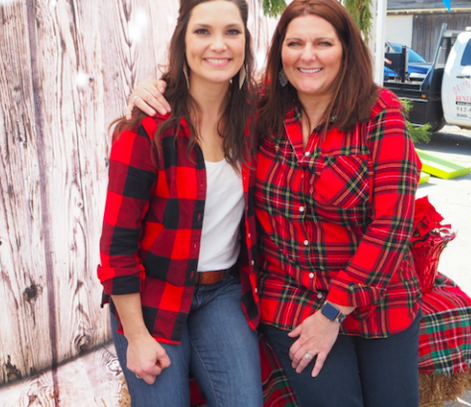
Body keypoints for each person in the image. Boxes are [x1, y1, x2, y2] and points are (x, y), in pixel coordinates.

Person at [127, 0, 422, 405]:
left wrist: (334, 311)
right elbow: (205, 86)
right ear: (279, 52)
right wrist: (155, 87)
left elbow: (393, 226)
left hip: (379, 301)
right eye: (295, 43)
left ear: (346, 51)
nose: (308, 55)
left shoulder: (379, 113)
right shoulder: (261, 113)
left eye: (323, 43)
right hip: (293, 301)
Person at [97, 1, 263, 406]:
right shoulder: (147, 132)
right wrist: (136, 337)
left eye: (232, 32)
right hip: (153, 296)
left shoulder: (257, 118)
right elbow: (116, 250)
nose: (218, 45)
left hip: (220, 291)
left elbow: (314, 77)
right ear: (182, 40)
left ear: (246, 40)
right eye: (203, 31)